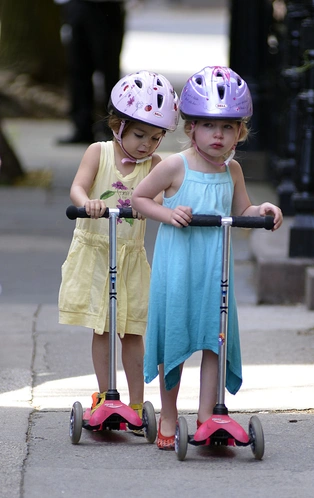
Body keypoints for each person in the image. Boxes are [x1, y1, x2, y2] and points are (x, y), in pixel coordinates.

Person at [132, 66, 283, 449]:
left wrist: (262, 210)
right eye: (209, 126)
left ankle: (206, 415)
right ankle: (168, 413)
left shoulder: (232, 170)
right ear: (191, 129)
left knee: (215, 339)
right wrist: (169, 213)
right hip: (179, 267)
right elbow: (139, 199)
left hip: (215, 269)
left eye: (229, 127)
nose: (219, 135)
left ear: (240, 132)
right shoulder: (174, 166)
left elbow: (242, 209)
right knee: (176, 338)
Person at [58, 70, 179, 432]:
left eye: (156, 138)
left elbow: (157, 196)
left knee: (133, 331)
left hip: (129, 256)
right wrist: (89, 203)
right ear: (118, 125)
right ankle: (103, 395)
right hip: (96, 253)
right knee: (102, 328)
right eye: (140, 134)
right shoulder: (99, 152)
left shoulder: (154, 166)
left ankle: (137, 400)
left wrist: (156, 201)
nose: (147, 145)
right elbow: (77, 188)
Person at [53, 0, 126, 144]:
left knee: (108, 71)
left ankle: (112, 128)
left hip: (106, 7)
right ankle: (82, 128)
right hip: (77, 5)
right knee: (77, 70)